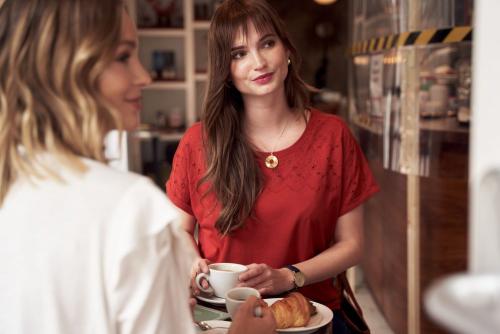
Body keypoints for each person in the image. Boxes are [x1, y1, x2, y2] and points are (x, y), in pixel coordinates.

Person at [0, 1, 275, 333]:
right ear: (65, 67)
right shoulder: (131, 208)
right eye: (122, 57)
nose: (143, 76)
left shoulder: (13, 185)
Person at [166, 0, 379, 332]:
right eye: (239, 54)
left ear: (286, 49)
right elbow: (179, 230)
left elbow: (352, 244)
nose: (259, 62)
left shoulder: (333, 137)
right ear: (225, 68)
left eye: (267, 43)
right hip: (221, 320)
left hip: (309, 315)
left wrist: (288, 276)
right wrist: (191, 260)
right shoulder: (198, 142)